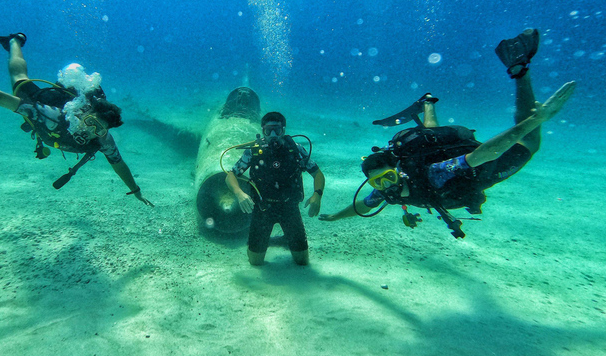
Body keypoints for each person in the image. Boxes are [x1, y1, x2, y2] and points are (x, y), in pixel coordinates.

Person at [319, 28, 576, 238]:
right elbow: (363, 205)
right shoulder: (385, 192)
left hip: (483, 168)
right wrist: (334, 217)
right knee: (431, 134)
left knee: (530, 142)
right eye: (378, 182)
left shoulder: (434, 173)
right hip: (446, 161)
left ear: (396, 170)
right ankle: (427, 102)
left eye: (387, 177)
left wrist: (534, 121)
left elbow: (484, 154)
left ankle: (520, 72)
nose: (386, 186)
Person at [0, 33, 153, 207]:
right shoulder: (49, 115)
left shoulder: (104, 140)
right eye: (91, 122)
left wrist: (136, 191)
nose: (92, 132)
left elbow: (119, 165)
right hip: (44, 107)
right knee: (17, 77)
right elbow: (2, 99)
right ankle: (15, 40)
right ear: (80, 114)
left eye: (100, 129)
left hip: (55, 124)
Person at [225, 112, 325, 265]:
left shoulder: (296, 149)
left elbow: (318, 174)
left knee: (302, 261)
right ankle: (269, 240)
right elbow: (231, 175)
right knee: (255, 262)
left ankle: (285, 238)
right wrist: (239, 193)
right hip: (263, 209)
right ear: (262, 130)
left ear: (283, 130)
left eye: (276, 130)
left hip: (289, 208)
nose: (273, 135)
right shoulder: (253, 151)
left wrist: (317, 195)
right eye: (268, 130)